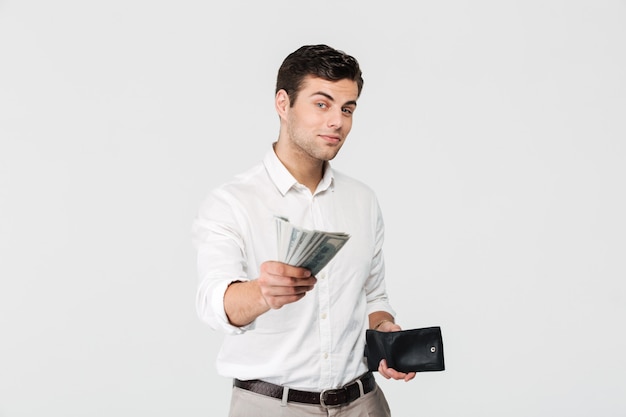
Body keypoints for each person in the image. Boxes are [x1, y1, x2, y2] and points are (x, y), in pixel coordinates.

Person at [193, 44, 415, 417]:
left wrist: (386, 330)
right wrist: (264, 293)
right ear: (283, 104)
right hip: (271, 406)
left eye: (347, 109)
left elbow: (374, 295)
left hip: (364, 404)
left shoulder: (362, 200)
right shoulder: (231, 202)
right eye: (322, 104)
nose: (337, 122)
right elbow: (214, 304)